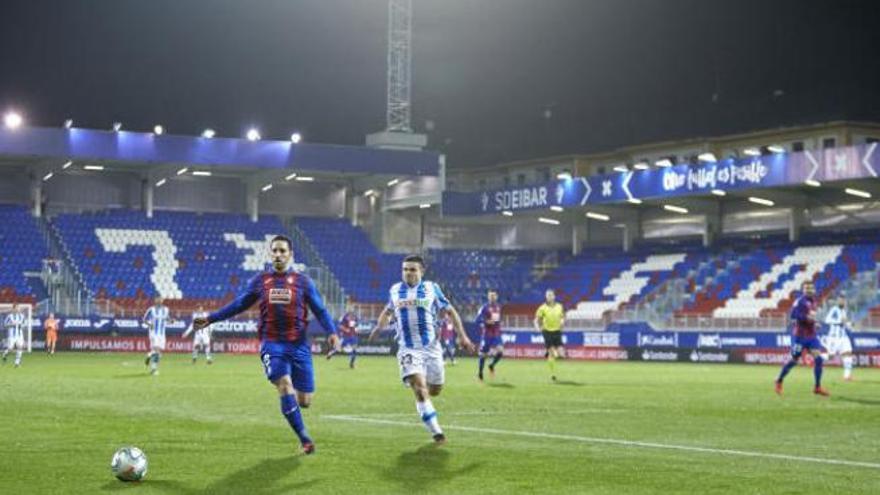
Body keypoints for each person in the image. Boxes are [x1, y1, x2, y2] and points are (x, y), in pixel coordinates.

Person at [193, 235, 339, 455]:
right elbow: (239, 304)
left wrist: (332, 333)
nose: (278, 255)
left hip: (299, 346)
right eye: (275, 251)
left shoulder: (303, 282)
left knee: (305, 401)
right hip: (273, 344)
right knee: (284, 385)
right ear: (270, 254)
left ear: (290, 254)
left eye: (283, 251)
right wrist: (211, 318)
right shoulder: (261, 281)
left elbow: (320, 310)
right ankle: (305, 439)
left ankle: (298, 419)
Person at [368, 255, 475, 445]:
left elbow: (450, 311)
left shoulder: (431, 288)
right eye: (405, 269)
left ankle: (426, 405)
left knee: (435, 390)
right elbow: (388, 310)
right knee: (419, 388)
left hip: (432, 348)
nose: (408, 273)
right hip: (408, 348)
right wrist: (378, 327)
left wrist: (463, 336)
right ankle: (437, 433)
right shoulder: (395, 290)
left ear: (421, 272)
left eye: (412, 269)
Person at [775, 282, 830, 396]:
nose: (809, 290)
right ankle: (779, 380)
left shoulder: (813, 302)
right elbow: (793, 316)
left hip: (811, 336)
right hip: (799, 337)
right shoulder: (799, 302)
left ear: (814, 289)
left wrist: (814, 323)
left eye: (811, 288)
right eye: (806, 288)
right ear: (803, 290)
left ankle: (817, 387)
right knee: (793, 360)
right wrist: (807, 318)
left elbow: (811, 317)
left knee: (818, 359)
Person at [534, 289, 565, 381]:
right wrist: (537, 327)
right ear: (546, 297)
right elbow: (536, 320)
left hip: (557, 331)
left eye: (551, 295)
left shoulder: (559, 306)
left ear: (554, 296)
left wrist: (562, 322)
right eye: (547, 295)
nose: (549, 297)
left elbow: (562, 317)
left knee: (561, 354)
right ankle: (553, 374)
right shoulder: (542, 308)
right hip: (546, 331)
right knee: (553, 354)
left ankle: (549, 352)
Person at [822, 298, 855, 381]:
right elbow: (827, 320)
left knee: (848, 354)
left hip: (844, 337)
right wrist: (839, 321)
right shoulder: (834, 309)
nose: (842, 302)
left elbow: (845, 324)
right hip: (834, 337)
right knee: (830, 357)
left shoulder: (844, 311)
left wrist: (850, 325)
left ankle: (847, 376)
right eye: (840, 300)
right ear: (838, 302)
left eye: (843, 300)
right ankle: (816, 356)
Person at [476, 289, 504, 381]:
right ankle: (480, 372)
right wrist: (486, 321)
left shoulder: (498, 307)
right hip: (487, 334)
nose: (492, 297)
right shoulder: (484, 307)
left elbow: (497, 319)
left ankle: (491, 365)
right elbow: (477, 319)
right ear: (488, 297)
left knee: (500, 351)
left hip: (496, 334)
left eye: (494, 295)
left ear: (496, 297)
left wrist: (499, 324)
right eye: (490, 296)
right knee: (483, 355)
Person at [142, 296, 170, 375]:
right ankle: (154, 370)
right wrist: (150, 325)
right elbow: (144, 319)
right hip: (154, 333)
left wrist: (171, 321)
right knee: (157, 351)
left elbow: (167, 318)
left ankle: (149, 355)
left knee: (159, 352)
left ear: (162, 300)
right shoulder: (151, 309)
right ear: (155, 300)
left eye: (161, 299)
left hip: (162, 334)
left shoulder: (166, 310)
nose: (159, 300)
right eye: (158, 299)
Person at [327, 301, 359, 369]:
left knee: (354, 349)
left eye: (352, 307)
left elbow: (356, 325)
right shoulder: (344, 316)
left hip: (353, 336)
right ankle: (331, 353)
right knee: (339, 348)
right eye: (350, 307)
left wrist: (356, 329)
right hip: (346, 336)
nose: (351, 309)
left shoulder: (355, 317)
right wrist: (345, 329)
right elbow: (339, 326)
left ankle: (351, 364)